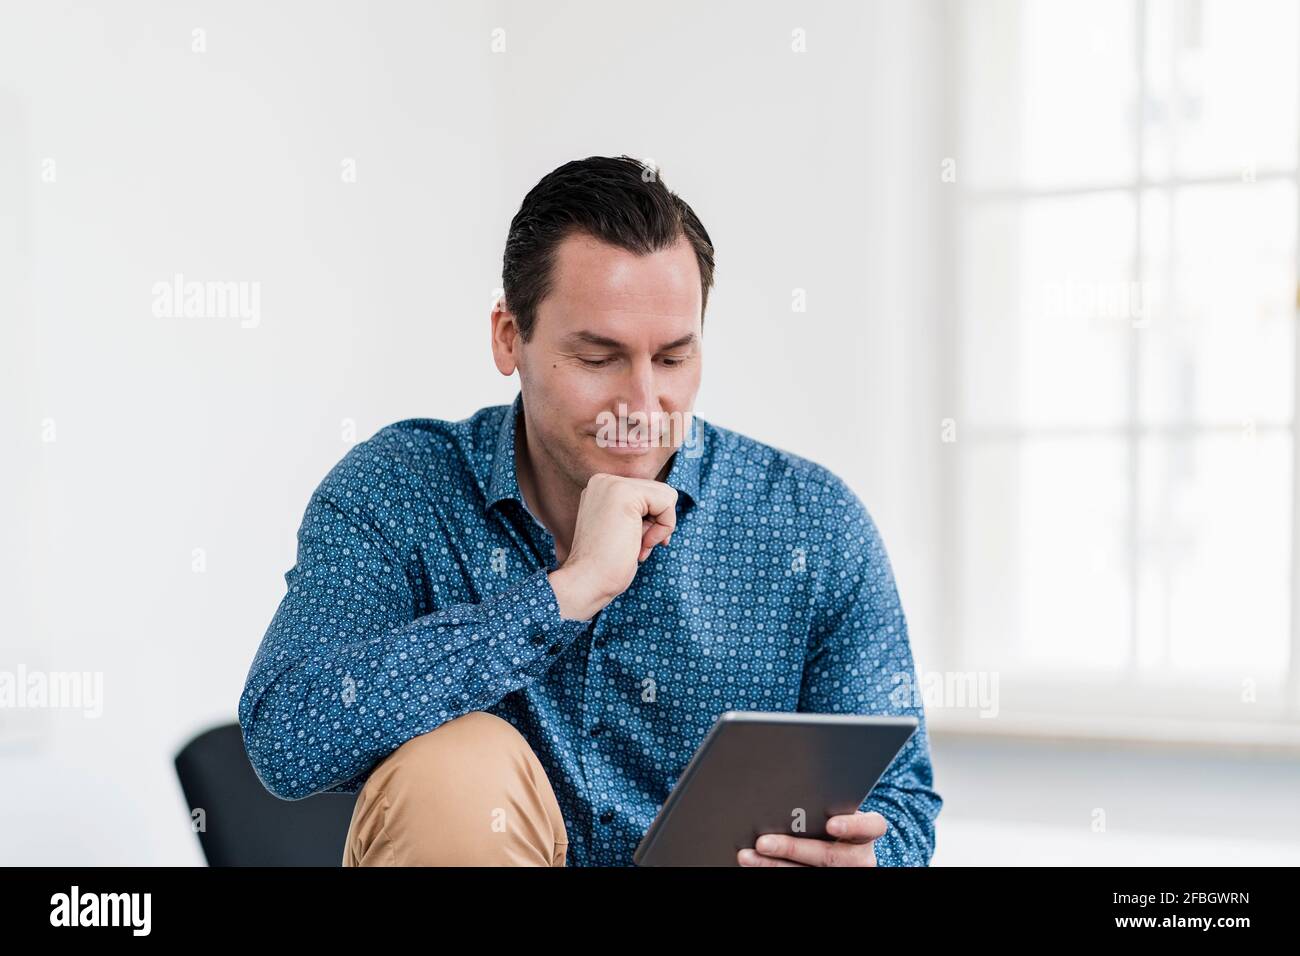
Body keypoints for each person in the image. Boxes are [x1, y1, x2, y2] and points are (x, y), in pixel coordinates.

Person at [237, 155, 942, 867]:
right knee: (457, 768)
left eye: (671, 360)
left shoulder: (812, 524)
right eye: (599, 358)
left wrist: (865, 859)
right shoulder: (400, 490)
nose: (641, 408)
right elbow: (288, 735)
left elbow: (904, 806)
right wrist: (565, 594)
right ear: (509, 337)